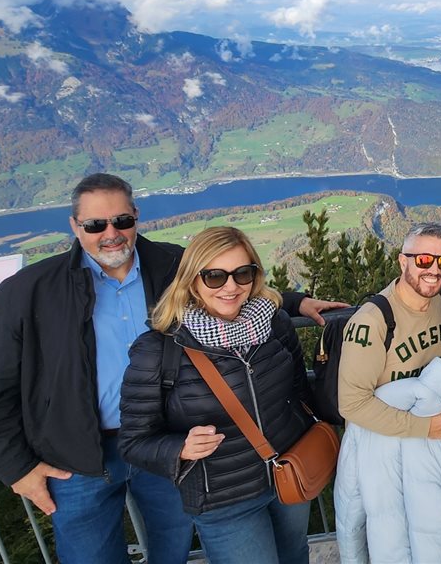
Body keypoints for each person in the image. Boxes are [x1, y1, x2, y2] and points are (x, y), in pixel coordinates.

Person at [0, 173, 344, 564]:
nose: (110, 233)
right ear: (74, 226)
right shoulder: (29, 290)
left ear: (136, 217)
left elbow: (229, 288)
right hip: (78, 457)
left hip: (169, 448)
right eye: (95, 224)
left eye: (121, 221)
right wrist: (17, 469)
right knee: (89, 558)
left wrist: (297, 302)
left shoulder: (170, 265)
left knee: (172, 551)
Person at [119, 226, 316, 563]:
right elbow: (133, 442)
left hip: (290, 473)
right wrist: (179, 447)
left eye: (243, 273)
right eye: (214, 276)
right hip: (224, 498)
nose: (231, 286)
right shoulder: (160, 351)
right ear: (192, 280)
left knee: (295, 556)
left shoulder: (275, 325)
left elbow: (299, 390)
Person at [332, 223, 441, 554]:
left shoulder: (436, 304)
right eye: (423, 260)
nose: (434, 270)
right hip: (384, 457)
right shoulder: (372, 321)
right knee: (392, 546)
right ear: (402, 261)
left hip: (426, 452)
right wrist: (424, 427)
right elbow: (351, 404)